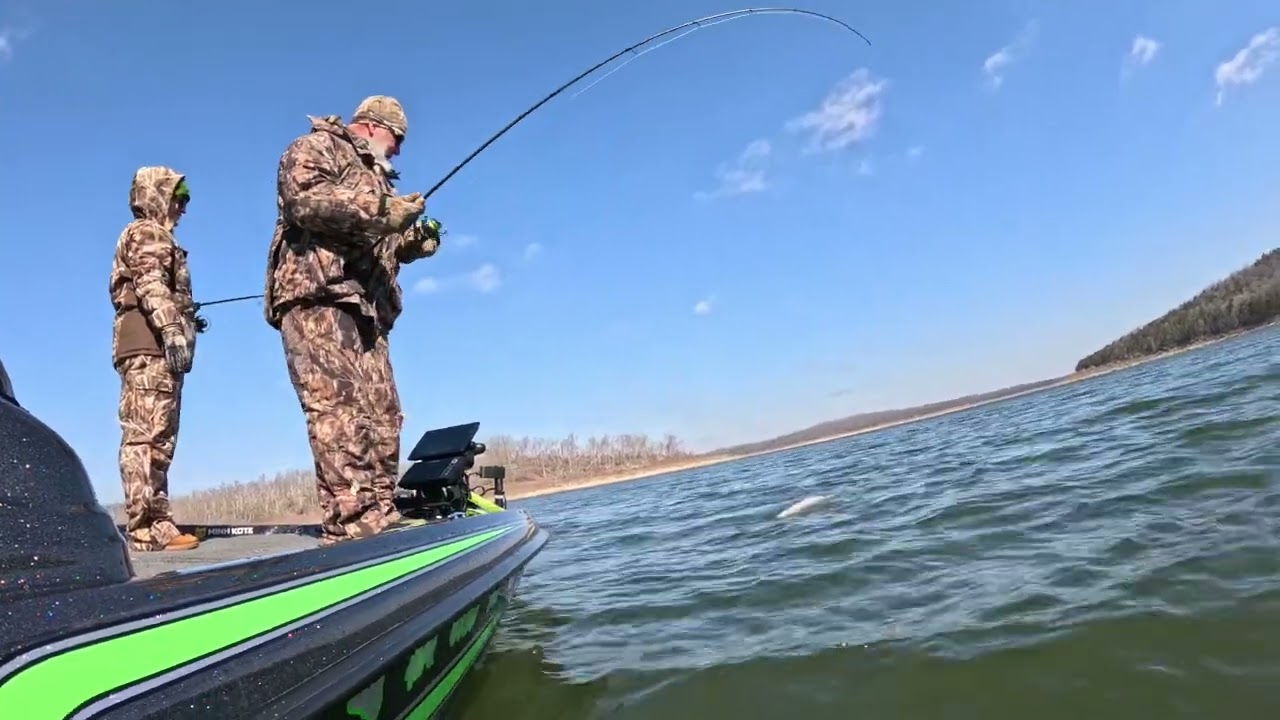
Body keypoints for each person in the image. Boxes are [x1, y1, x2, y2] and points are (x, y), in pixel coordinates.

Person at [262, 95, 443, 546]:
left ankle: (380, 508)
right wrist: (383, 211)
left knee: (382, 415)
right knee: (339, 411)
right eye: (397, 137)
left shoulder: (375, 178)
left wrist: (411, 239)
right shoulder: (315, 147)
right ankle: (352, 520)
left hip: (367, 310)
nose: (399, 148)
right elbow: (306, 202)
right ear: (373, 126)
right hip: (320, 296)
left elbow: (381, 240)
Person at [107, 166, 204, 552]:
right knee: (145, 436)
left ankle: (156, 522)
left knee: (160, 438)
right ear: (158, 196)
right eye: (179, 197)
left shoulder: (152, 235)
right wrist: (171, 328)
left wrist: (185, 319)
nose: (183, 207)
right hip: (148, 347)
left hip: (153, 347)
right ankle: (145, 526)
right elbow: (150, 282)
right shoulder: (147, 232)